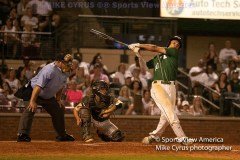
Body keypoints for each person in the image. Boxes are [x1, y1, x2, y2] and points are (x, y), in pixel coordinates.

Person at [128, 36, 193, 145]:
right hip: (158, 86)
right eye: (174, 43)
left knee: (166, 115)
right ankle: (182, 138)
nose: (176, 45)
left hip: (171, 87)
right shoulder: (157, 58)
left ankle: (154, 136)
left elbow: (153, 47)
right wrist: (138, 54)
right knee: (170, 112)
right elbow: (144, 69)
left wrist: (138, 45)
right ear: (169, 43)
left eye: (178, 45)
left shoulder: (173, 52)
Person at [16, 53, 75, 142]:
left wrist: (58, 99)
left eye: (69, 62)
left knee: (59, 109)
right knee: (30, 108)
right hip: (33, 90)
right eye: (66, 62)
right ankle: (22, 134)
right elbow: (38, 86)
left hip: (47, 94)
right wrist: (32, 101)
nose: (68, 64)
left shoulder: (66, 71)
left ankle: (62, 135)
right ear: (58, 62)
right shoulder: (49, 70)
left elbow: (61, 85)